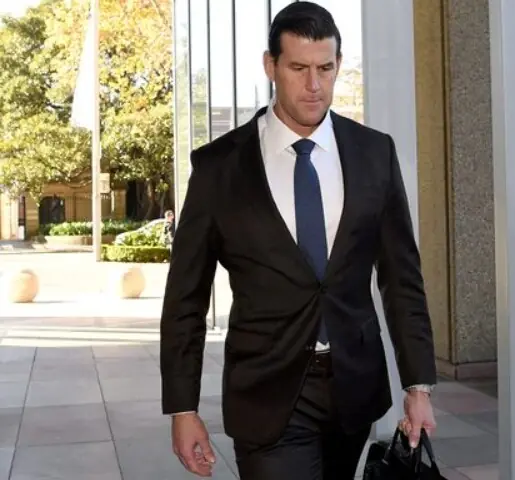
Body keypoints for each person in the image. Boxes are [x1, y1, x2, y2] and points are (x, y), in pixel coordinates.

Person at [159, 3, 437, 479]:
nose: (314, 85)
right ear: (271, 66)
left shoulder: (374, 153)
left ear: (338, 65)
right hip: (266, 393)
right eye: (298, 68)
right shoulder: (219, 168)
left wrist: (418, 386)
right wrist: (182, 408)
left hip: (354, 388)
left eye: (325, 69)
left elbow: (402, 278)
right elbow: (186, 297)